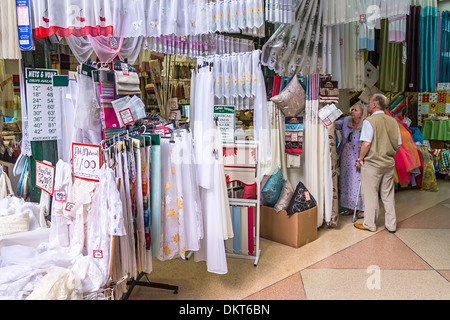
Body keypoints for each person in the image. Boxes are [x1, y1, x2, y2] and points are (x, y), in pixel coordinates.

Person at [354, 94, 402, 233]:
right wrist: (389, 153)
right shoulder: (393, 121)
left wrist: (360, 158)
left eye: (369, 103)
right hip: (388, 164)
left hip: (372, 165)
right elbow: (399, 144)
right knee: (388, 195)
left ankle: (370, 224)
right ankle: (391, 225)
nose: (368, 106)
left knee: (370, 195)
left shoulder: (370, 121)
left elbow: (366, 143)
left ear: (375, 104)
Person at [335, 104, 368, 219]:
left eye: (355, 110)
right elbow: (335, 125)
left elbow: (366, 143)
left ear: (361, 113)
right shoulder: (346, 121)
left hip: (358, 156)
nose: (352, 111)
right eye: (352, 109)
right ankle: (350, 207)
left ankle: (362, 208)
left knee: (358, 182)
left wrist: (361, 158)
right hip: (345, 156)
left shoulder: (365, 124)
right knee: (346, 181)